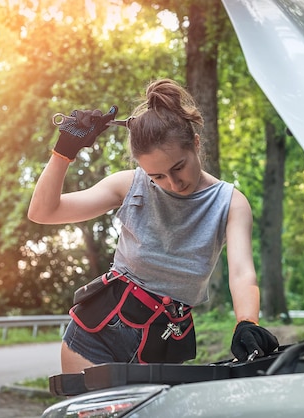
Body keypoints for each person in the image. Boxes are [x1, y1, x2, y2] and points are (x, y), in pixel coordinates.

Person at [28, 78, 278, 374]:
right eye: (157, 176)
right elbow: (44, 211)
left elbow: (241, 273)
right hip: (97, 334)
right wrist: (64, 151)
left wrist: (246, 322)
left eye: (178, 167)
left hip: (165, 343)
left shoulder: (231, 203)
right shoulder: (130, 184)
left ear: (196, 144)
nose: (172, 183)